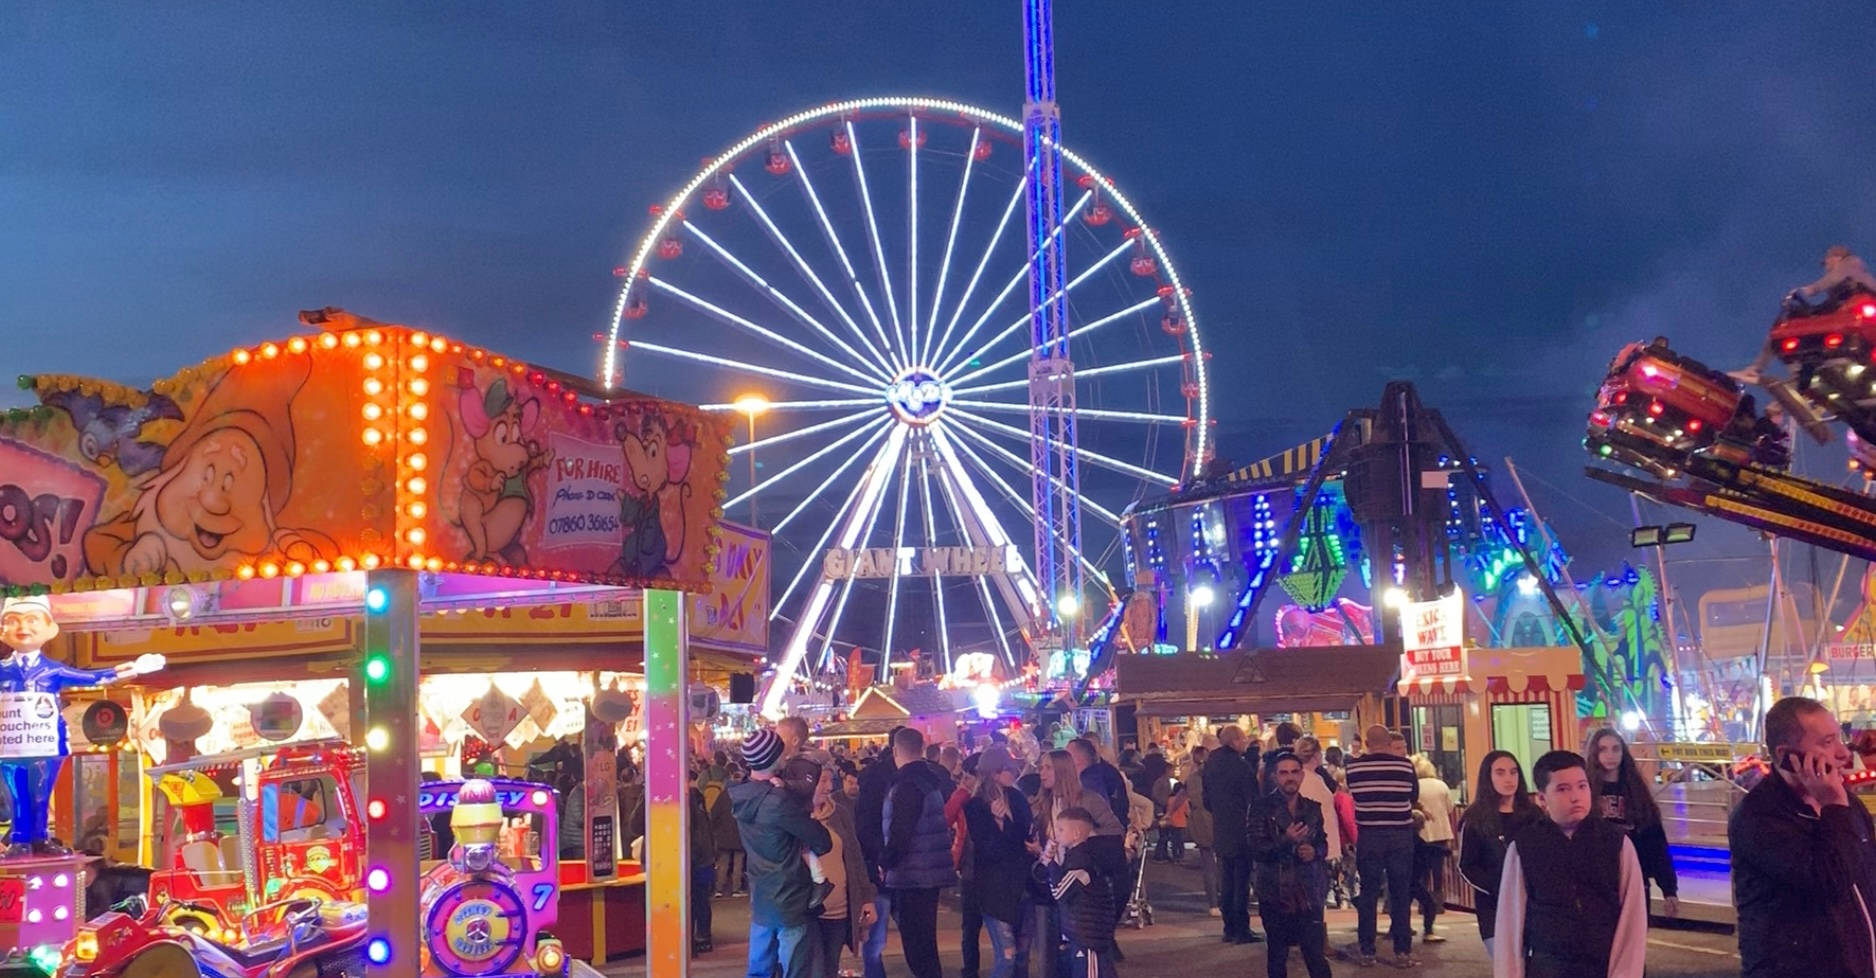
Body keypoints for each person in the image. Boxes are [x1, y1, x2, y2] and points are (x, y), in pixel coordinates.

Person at [1731, 696, 1876, 978]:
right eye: (1827, 742)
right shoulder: (1759, 818)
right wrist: (1833, 806)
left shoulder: (1847, 805)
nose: (1843, 753)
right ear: (1788, 755)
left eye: (1839, 738)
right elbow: (1831, 879)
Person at [1493, 750, 1647, 978]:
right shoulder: (1525, 847)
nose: (1575, 796)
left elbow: (1633, 918)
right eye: (1563, 789)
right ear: (1542, 799)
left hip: (1603, 965)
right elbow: (1510, 922)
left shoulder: (1616, 843)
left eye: (1582, 786)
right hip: (1548, 966)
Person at [730, 728, 835, 978]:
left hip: (762, 896)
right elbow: (822, 840)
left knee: (759, 970)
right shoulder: (778, 801)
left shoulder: (742, 796)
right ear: (773, 757)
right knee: (796, 970)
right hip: (789, 898)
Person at [881, 727, 959, 978]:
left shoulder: (907, 784)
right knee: (925, 941)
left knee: (917, 944)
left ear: (895, 750)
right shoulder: (930, 781)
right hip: (929, 870)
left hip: (913, 873)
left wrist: (886, 861)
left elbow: (901, 832)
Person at [1249, 752, 1333, 978]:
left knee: (1315, 955)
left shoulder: (1312, 808)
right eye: (1283, 772)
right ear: (1275, 777)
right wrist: (1286, 841)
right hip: (1275, 891)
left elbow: (1323, 843)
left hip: (1308, 891)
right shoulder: (1261, 808)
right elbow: (1257, 850)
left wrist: (1314, 851)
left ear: (1302, 775)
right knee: (1278, 953)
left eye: (1294, 772)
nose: (1290, 777)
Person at [1342, 724, 1419, 968]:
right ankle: (1402, 951)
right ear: (1388, 742)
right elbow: (1413, 796)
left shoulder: (1353, 768)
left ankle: (1367, 950)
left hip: (1370, 836)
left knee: (1368, 893)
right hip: (1400, 835)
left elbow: (1355, 795)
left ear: (1366, 743)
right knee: (1400, 893)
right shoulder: (1405, 766)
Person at [1583, 729, 1678, 916]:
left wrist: (1669, 889)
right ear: (1595, 753)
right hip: (1598, 881)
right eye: (1603, 749)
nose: (1610, 755)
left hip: (1635, 877)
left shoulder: (1636, 790)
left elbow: (1656, 841)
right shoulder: (1585, 791)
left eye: (1615, 749)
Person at [1457, 750, 1541, 960]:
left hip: (1533, 906)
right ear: (1488, 777)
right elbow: (1467, 866)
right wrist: (1499, 887)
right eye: (1500, 773)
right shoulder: (1475, 819)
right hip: (1495, 908)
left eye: (1513, 772)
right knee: (1507, 965)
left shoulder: (1534, 816)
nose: (1508, 779)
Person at [965, 745, 1035, 978]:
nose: (1013, 773)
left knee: (1023, 955)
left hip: (1022, 883)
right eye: (1008, 768)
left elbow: (1024, 835)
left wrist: (1009, 829)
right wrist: (1000, 824)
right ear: (994, 772)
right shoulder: (976, 806)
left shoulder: (1017, 798)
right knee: (1008, 955)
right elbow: (989, 849)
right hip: (995, 889)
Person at [809, 760, 879, 978]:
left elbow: (855, 858)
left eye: (831, 780)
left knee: (829, 969)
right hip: (808, 912)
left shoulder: (839, 813)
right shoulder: (794, 817)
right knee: (815, 970)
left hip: (839, 910)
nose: (829, 787)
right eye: (823, 781)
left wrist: (866, 898)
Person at [1203, 725, 1264, 944]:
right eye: (1244, 739)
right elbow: (1254, 798)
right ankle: (1241, 928)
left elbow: (1206, 799)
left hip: (1221, 827)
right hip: (1240, 829)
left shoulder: (1211, 764)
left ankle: (1229, 927)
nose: (1246, 742)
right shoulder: (1240, 766)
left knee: (1226, 879)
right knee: (1241, 881)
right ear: (1235, 741)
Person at [853, 726, 903, 978]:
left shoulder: (876, 777)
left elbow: (864, 825)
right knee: (882, 933)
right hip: (887, 865)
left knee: (876, 938)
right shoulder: (887, 778)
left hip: (881, 864)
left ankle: (875, 972)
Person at [1047, 808, 1119, 978]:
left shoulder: (1081, 861)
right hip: (1085, 933)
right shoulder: (1078, 856)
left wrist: (1050, 863)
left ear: (1076, 833)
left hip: (1088, 936)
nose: (1056, 834)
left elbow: (1059, 892)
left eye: (1061, 829)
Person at [1410, 754, 1456, 944]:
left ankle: (1423, 905)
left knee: (1421, 874)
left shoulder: (1416, 788)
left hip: (1423, 836)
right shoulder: (1441, 786)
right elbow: (1450, 808)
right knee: (1438, 873)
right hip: (1441, 832)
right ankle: (1437, 904)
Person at [1185, 745, 1221, 916]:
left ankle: (1213, 903)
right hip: (1217, 818)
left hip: (1199, 819)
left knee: (1208, 862)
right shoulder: (1215, 776)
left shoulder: (1191, 778)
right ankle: (1221, 897)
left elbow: (1184, 796)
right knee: (1222, 861)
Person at [687, 770, 717, 955]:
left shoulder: (688, 799)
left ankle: (693, 940)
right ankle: (703, 937)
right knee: (701, 900)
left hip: (694, 858)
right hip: (704, 857)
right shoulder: (699, 799)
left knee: (693, 900)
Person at [1161, 783, 1190, 865]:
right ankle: (1181, 856)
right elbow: (1187, 812)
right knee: (1180, 841)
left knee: (1174, 841)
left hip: (1172, 822)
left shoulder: (1170, 799)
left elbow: (1167, 810)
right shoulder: (1184, 800)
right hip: (1181, 823)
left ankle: (1175, 857)